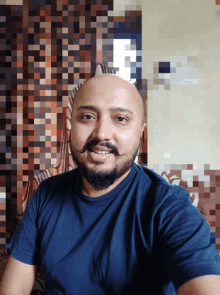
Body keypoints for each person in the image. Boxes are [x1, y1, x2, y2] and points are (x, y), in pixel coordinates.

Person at [1, 74, 220, 295]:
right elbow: (14, 288)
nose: (102, 133)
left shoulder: (169, 207)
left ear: (141, 134)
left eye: (120, 119)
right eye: (87, 116)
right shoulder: (45, 195)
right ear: (70, 126)